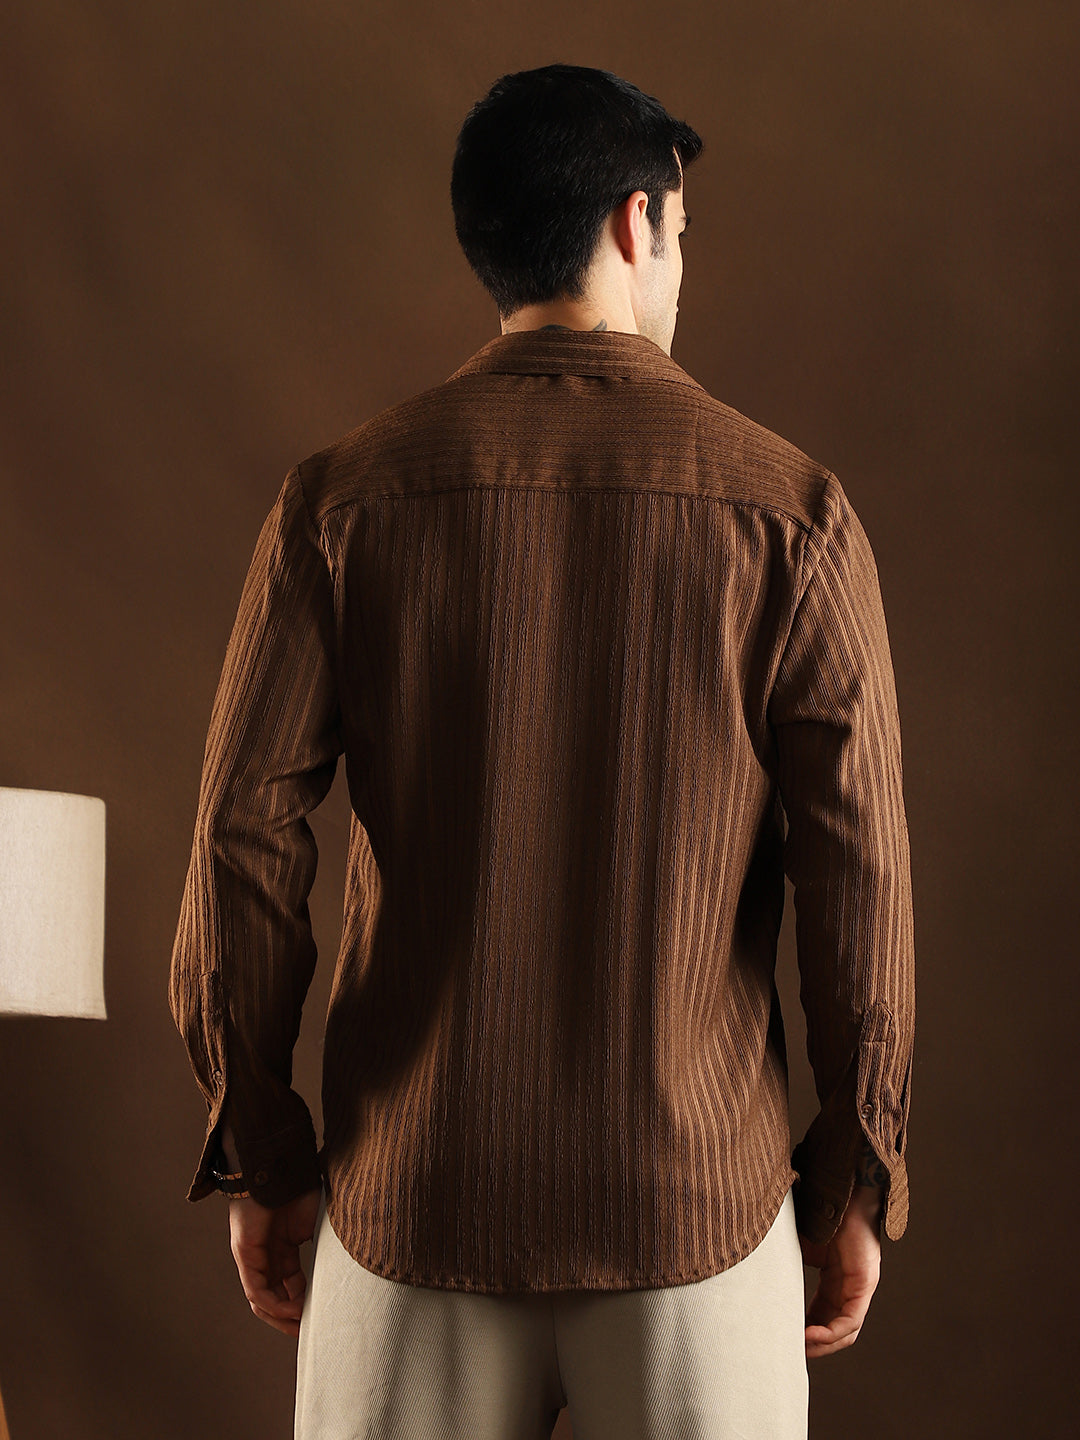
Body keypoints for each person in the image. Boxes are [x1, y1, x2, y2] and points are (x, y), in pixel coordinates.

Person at [170, 62, 915, 1440]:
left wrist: (264, 1145)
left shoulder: (342, 501)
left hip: (415, 1199)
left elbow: (241, 839)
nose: (679, 263)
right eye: (680, 232)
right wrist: (854, 1173)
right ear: (635, 223)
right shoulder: (792, 512)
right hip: (694, 1210)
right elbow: (856, 875)